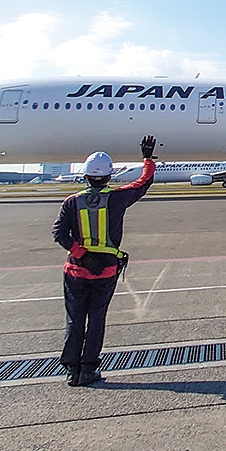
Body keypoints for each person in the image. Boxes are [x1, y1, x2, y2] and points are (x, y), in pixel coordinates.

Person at [54, 135, 157, 386]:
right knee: (97, 318)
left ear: (85, 176)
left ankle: (72, 371)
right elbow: (143, 183)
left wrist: (81, 255)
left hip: (76, 271)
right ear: (109, 176)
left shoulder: (72, 202)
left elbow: (58, 234)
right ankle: (89, 369)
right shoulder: (117, 198)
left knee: (74, 319)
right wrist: (147, 158)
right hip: (105, 271)